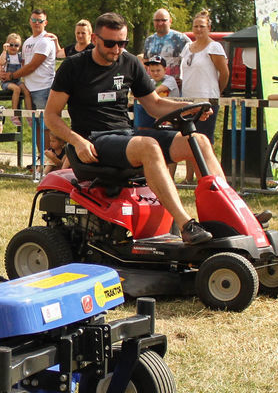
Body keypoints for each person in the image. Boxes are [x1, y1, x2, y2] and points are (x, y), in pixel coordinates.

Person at [45, 12, 233, 246]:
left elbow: (154, 104)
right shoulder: (74, 66)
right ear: (95, 39)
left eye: (121, 43)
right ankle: (186, 224)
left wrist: (189, 107)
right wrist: (76, 141)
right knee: (149, 147)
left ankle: (229, 217)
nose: (116, 49)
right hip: (93, 141)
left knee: (199, 141)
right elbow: (50, 115)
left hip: (126, 136)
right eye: (110, 43)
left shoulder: (129, 62)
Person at [179, 11, 228, 182]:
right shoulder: (187, 47)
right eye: (196, 26)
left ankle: (211, 176)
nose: (198, 29)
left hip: (207, 98)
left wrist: (216, 93)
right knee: (188, 137)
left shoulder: (214, 47)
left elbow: (224, 73)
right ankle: (188, 176)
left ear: (209, 28)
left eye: (202, 26)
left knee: (205, 138)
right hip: (188, 99)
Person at [13, 9, 60, 167]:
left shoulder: (45, 41)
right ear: (30, 20)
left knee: (47, 127)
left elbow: (33, 65)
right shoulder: (27, 42)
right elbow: (25, 64)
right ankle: (42, 158)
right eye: (34, 20)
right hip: (29, 90)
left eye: (40, 20)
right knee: (37, 127)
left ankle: (50, 160)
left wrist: (12, 76)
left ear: (45, 23)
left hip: (44, 88)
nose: (37, 23)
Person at [133, 55, 180, 130]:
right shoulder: (151, 81)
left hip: (171, 112)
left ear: (165, 70)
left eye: (158, 70)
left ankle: (142, 129)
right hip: (157, 113)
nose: (155, 73)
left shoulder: (170, 80)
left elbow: (157, 90)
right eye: (152, 71)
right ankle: (141, 130)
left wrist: (141, 94)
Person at [143, 8, 187, 85]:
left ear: (170, 21)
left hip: (174, 86)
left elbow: (191, 59)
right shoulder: (149, 40)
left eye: (163, 20)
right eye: (157, 20)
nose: (160, 23)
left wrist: (184, 78)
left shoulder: (181, 39)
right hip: (153, 86)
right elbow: (145, 62)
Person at [0, 33, 29, 124]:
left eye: (16, 45)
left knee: (26, 91)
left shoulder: (19, 56)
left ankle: (29, 114)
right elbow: (2, 62)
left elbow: (25, 66)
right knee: (17, 89)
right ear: (7, 45)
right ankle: (14, 114)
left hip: (17, 80)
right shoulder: (5, 55)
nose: (13, 47)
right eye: (11, 45)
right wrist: (4, 50)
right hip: (7, 82)